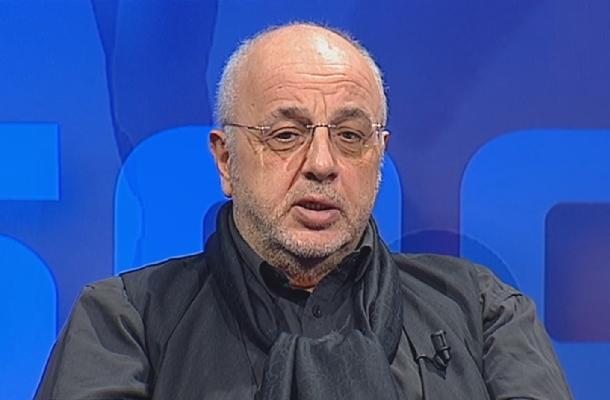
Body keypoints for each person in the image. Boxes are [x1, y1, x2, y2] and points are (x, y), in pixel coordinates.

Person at [36, 23, 572, 400]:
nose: (322, 164)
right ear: (225, 160)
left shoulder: (481, 310)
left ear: (379, 156)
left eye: (350, 136)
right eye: (286, 134)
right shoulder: (124, 321)